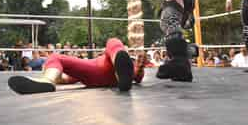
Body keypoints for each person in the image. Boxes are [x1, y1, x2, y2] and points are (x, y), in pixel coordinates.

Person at [8, 38, 146, 94]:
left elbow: (66, 78)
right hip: (111, 74)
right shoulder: (127, 67)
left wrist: (54, 77)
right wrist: (139, 71)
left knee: (55, 57)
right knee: (113, 42)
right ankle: (119, 59)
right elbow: (137, 77)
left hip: (96, 75)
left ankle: (47, 80)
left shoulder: (83, 68)